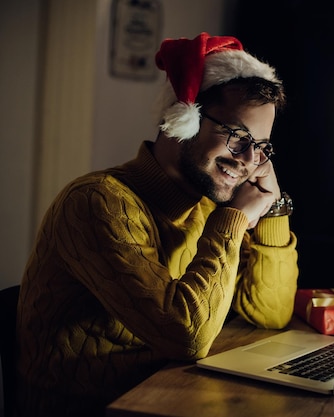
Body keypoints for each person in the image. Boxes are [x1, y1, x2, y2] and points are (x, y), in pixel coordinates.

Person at [15, 32, 298, 417]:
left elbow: (272, 313)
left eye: (262, 146)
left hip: (174, 397)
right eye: (237, 135)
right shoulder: (97, 200)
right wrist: (233, 221)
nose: (250, 159)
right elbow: (187, 337)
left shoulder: (206, 201)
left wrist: (273, 211)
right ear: (183, 118)